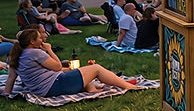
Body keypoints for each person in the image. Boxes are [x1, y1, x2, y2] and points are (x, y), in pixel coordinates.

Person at [2, 28, 136, 97]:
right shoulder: (35, 53)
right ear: (32, 41)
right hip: (54, 85)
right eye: (39, 38)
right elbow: (57, 67)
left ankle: (92, 88)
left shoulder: (16, 55)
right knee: (96, 68)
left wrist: (7, 94)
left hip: (42, 89)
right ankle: (128, 87)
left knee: (76, 71)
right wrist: (49, 50)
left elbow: (11, 78)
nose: (42, 40)